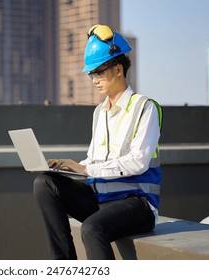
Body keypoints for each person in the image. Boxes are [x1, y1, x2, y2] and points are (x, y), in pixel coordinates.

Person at [33, 24, 162, 260]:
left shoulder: (145, 107)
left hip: (137, 204)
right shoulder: (99, 112)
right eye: (92, 74)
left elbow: (139, 162)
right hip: (101, 199)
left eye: (99, 72)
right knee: (45, 183)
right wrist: (70, 168)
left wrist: (86, 168)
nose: (94, 80)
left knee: (92, 228)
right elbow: (94, 161)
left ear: (119, 69)